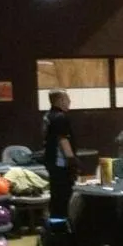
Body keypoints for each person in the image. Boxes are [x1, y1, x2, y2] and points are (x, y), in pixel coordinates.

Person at [42, 89, 76, 220]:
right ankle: (63, 221)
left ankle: (54, 220)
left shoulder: (47, 116)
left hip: (50, 160)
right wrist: (71, 160)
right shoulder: (60, 117)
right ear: (60, 100)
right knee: (64, 194)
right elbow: (63, 140)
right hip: (60, 162)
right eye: (67, 99)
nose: (69, 101)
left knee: (55, 193)